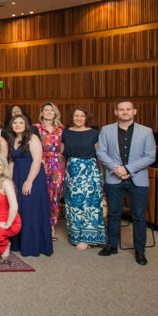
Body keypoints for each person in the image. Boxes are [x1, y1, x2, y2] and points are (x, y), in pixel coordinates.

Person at [96, 99, 156, 265]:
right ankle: (112, 245)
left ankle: (140, 251)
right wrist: (116, 169)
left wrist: (128, 169)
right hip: (114, 178)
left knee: (138, 216)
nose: (124, 112)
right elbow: (101, 152)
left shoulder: (146, 132)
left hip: (138, 180)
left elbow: (150, 156)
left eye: (128, 109)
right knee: (114, 214)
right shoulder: (106, 130)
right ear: (116, 112)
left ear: (134, 112)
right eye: (121, 109)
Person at [7, 115, 53, 257]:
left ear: (26, 125)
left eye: (21, 122)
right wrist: (9, 181)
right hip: (18, 177)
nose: (18, 125)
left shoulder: (32, 138)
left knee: (31, 209)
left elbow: (37, 161)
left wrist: (29, 181)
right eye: (15, 123)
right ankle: (20, 243)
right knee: (20, 209)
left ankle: (33, 245)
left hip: (33, 177)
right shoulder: (12, 140)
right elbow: (12, 162)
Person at [62, 106, 105, 250]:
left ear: (86, 118)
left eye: (82, 116)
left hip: (90, 172)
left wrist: (102, 176)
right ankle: (75, 235)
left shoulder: (93, 133)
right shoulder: (66, 132)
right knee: (73, 205)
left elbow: (99, 155)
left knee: (88, 205)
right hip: (71, 173)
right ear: (71, 118)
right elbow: (61, 153)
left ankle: (87, 238)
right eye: (76, 116)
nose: (79, 118)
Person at [35, 102, 65, 240]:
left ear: (55, 113)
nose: (48, 112)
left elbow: (63, 147)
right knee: (41, 193)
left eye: (51, 110)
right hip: (40, 163)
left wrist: (59, 160)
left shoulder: (61, 130)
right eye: (45, 110)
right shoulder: (36, 128)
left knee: (55, 194)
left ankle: (51, 225)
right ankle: (40, 225)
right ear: (41, 113)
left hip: (57, 165)